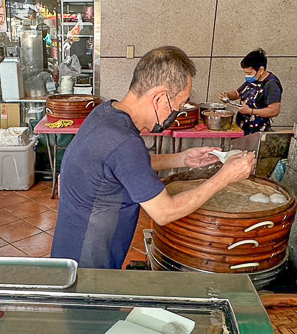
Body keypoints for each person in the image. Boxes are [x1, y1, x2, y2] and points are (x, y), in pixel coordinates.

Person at [51, 46, 256, 269]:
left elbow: (124, 167)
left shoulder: (105, 114)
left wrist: (183, 158)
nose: (177, 112)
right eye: (178, 105)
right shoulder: (125, 142)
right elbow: (165, 212)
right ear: (159, 98)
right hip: (88, 265)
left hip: (69, 250)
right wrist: (225, 176)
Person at [221, 48, 282, 135]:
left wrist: (250, 111)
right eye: (245, 73)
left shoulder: (271, 84)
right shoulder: (253, 80)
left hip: (257, 131)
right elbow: (237, 93)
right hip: (242, 127)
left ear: (261, 70)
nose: (247, 76)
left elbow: (274, 111)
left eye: (249, 73)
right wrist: (227, 95)